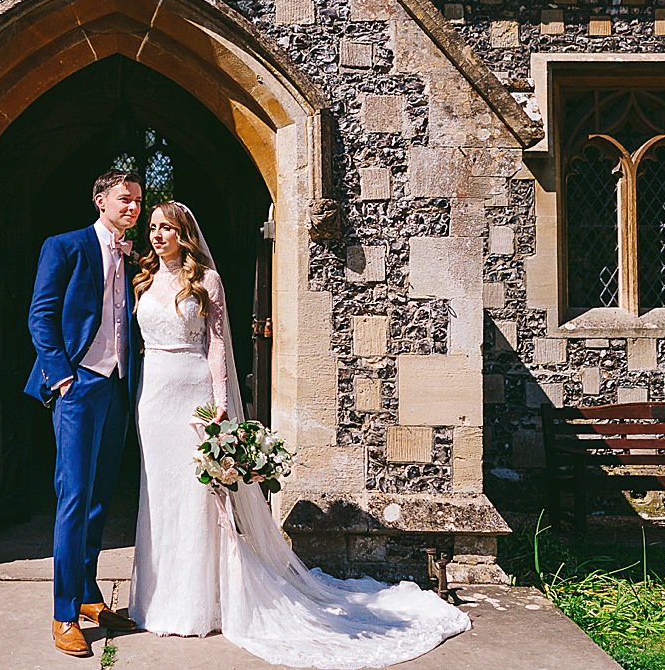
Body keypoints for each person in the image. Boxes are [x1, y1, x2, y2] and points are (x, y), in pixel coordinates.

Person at [127, 201, 471, 668]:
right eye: (153, 227)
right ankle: (158, 598)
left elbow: (217, 346)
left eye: (166, 228)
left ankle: (200, 601)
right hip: (154, 397)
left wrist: (221, 406)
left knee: (199, 500)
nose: (158, 235)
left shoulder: (205, 280)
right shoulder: (144, 280)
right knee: (160, 495)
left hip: (192, 394)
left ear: (184, 233)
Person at [24, 167, 147, 658]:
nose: (133, 206)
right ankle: (62, 611)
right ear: (100, 200)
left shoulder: (133, 255)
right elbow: (41, 314)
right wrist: (62, 375)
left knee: (100, 496)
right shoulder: (66, 245)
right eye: (124, 198)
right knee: (73, 497)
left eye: (138, 199)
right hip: (78, 386)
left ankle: (91, 594)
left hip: (117, 387)